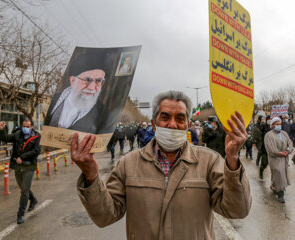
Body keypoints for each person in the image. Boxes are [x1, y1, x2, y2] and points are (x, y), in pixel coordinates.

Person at [72, 90, 251, 239]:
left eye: (180, 119)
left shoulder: (209, 162)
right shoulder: (128, 164)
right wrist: (91, 176)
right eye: (165, 117)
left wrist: (233, 159)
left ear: (187, 125)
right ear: (154, 124)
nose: (172, 125)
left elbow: (237, 211)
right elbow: (105, 216)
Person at [0, 119, 41, 224]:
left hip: (29, 166)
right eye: (23, 126)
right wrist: (1, 130)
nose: (25, 128)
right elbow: (3, 138)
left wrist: (22, 157)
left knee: (24, 191)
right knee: (22, 187)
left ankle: (20, 214)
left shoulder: (37, 136)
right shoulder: (17, 134)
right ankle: (33, 200)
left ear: (31, 127)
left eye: (27, 126)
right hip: (17, 166)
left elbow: (36, 150)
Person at [264, 117, 293, 203]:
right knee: (279, 173)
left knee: (280, 174)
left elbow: (290, 143)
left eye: (279, 124)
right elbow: (270, 149)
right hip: (275, 158)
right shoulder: (268, 135)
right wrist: (279, 153)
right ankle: (281, 194)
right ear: (272, 125)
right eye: (277, 124)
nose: (279, 126)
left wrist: (288, 151)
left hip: (284, 157)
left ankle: (274, 186)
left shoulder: (284, 133)